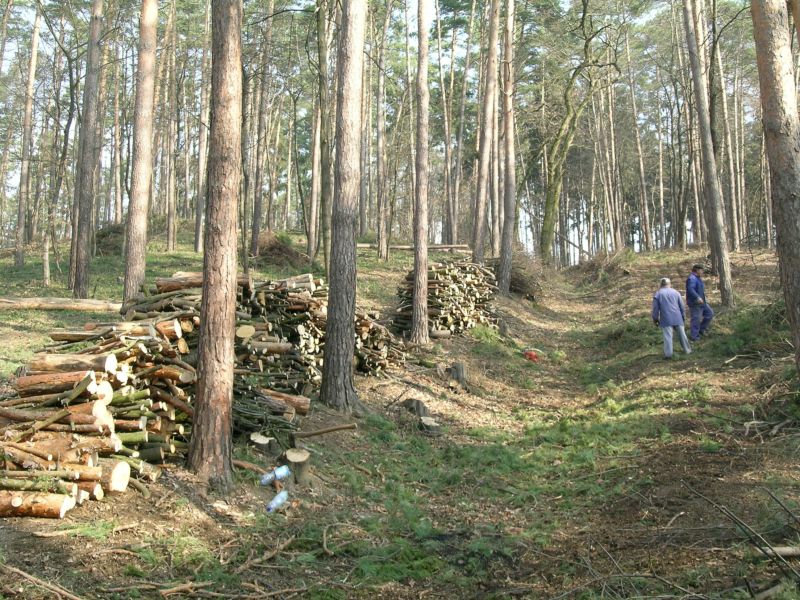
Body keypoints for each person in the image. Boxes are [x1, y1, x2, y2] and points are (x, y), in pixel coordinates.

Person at [652, 277, 692, 359]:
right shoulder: (676, 292)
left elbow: (655, 308)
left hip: (666, 318)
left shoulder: (658, 294)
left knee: (668, 337)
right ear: (669, 284)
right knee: (682, 335)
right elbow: (682, 306)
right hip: (677, 317)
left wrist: (655, 318)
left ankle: (668, 354)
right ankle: (688, 350)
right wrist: (683, 316)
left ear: (660, 284)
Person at [686, 263, 714, 341]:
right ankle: (694, 337)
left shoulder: (698, 278)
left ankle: (701, 330)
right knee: (696, 319)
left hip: (702, 302)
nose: (703, 271)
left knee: (710, 314)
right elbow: (690, 289)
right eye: (701, 270)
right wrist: (697, 297)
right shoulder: (692, 278)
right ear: (697, 270)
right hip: (695, 303)